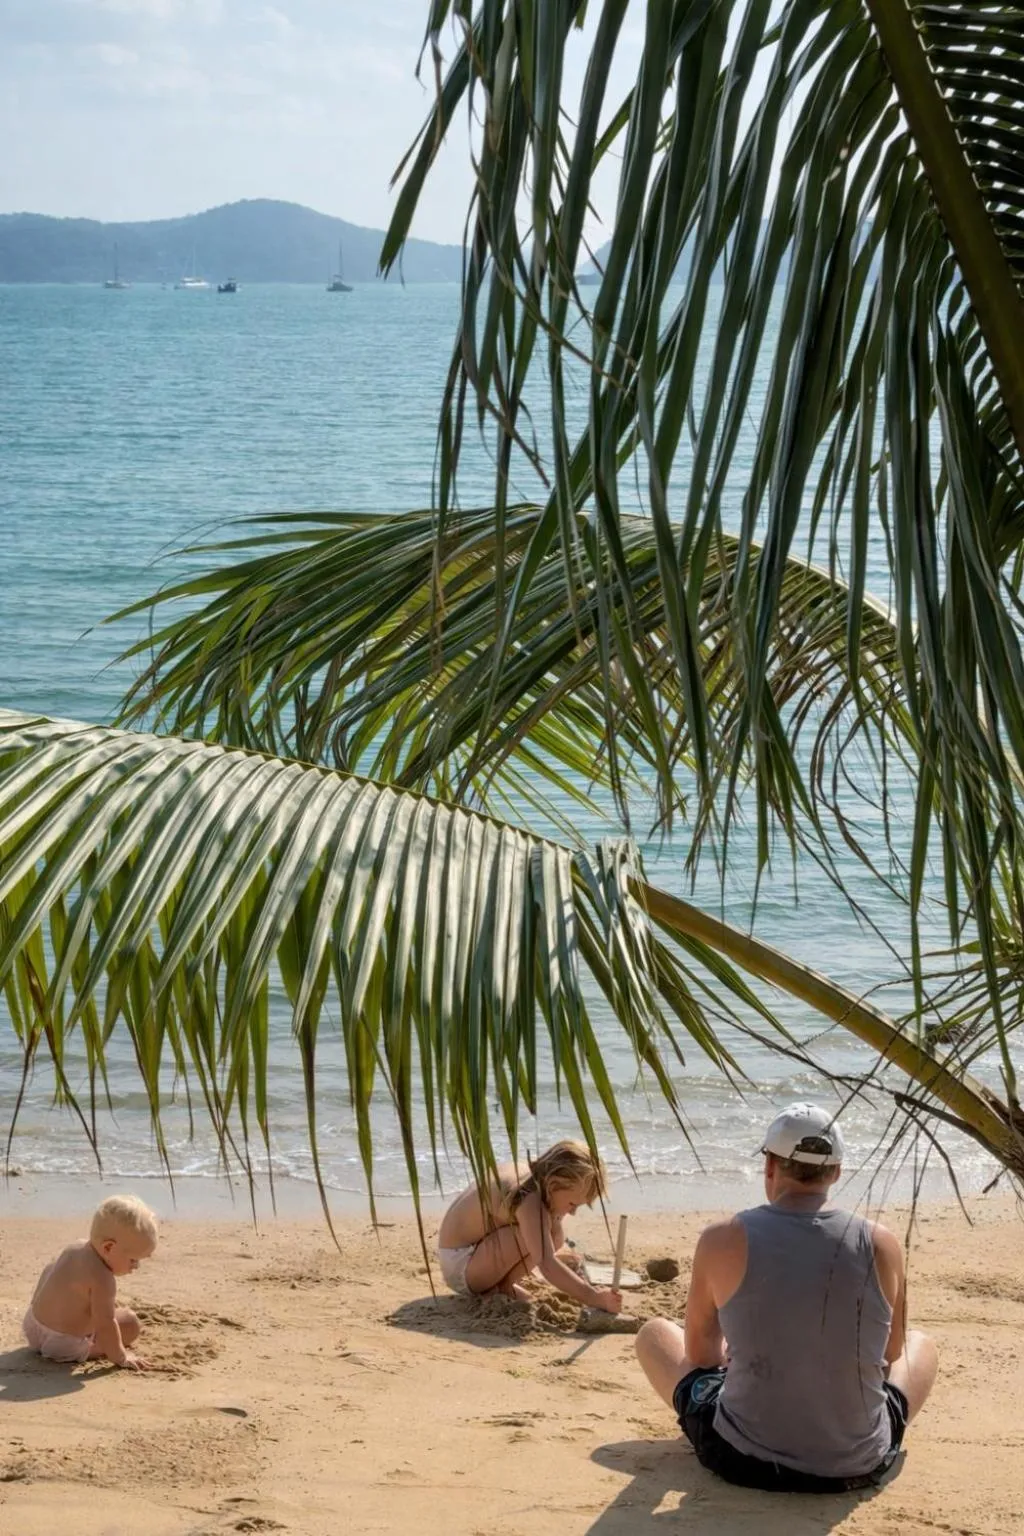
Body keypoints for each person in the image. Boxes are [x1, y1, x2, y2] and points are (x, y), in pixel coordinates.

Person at [635, 1103, 939, 1493]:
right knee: (921, 1345)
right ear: (836, 1172)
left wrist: (741, 1348)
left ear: (769, 1167)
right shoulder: (882, 1242)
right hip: (858, 1463)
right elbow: (891, 1353)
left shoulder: (722, 1238)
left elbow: (701, 1356)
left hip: (743, 1459)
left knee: (654, 1334)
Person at [436, 1139, 623, 1313]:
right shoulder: (528, 1197)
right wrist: (593, 1297)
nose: (573, 1212)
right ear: (553, 1183)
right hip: (460, 1265)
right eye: (572, 1204)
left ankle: (503, 1286)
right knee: (540, 1236)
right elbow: (547, 1264)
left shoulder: (531, 1176)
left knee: (553, 1233)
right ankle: (499, 1289)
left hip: (470, 1255)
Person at [22, 1194, 158, 1370]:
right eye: (133, 1260)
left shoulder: (74, 1248)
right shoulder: (103, 1278)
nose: (136, 1266)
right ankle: (94, 1349)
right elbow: (105, 1323)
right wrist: (121, 1356)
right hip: (63, 1345)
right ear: (108, 1247)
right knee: (130, 1323)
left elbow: (49, 1271)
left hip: (33, 1326)